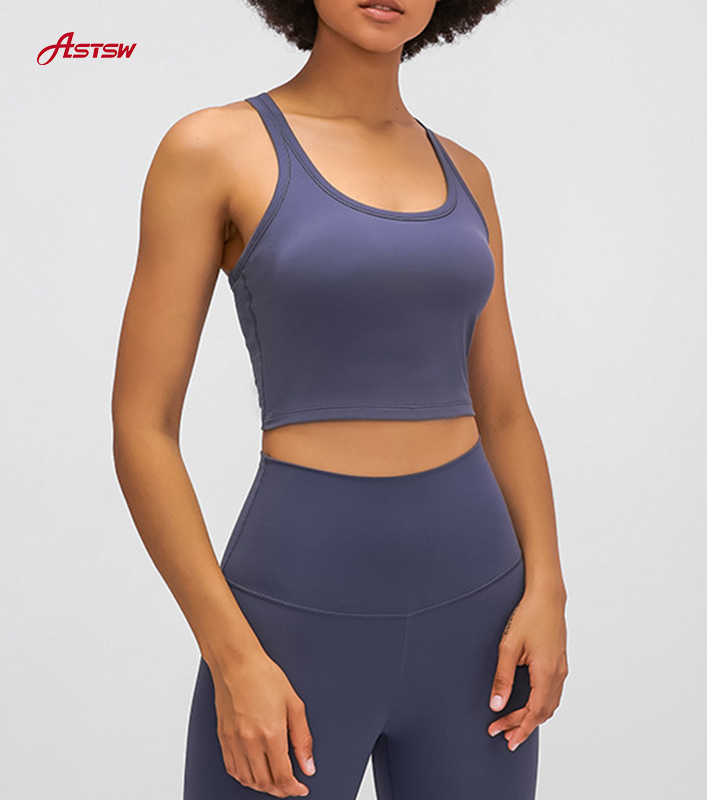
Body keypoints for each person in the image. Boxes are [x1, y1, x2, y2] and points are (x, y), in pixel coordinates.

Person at [112, 1, 568, 797]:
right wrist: (232, 656)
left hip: (480, 614)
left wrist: (548, 590)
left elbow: (503, 412)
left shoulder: (467, 175)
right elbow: (142, 427)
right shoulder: (213, 149)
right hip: (294, 614)